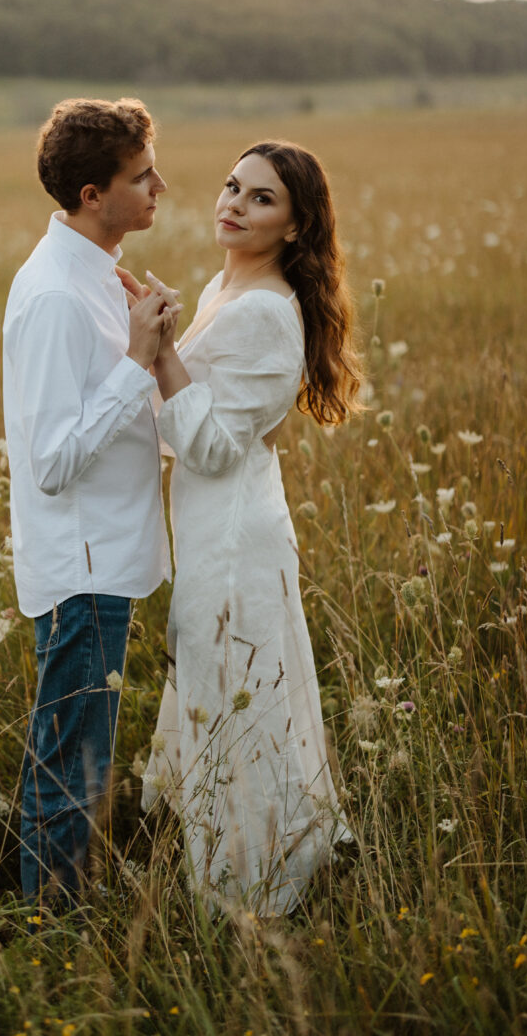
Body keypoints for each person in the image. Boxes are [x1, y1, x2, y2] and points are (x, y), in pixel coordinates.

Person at [141, 140, 362, 916]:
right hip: (211, 521)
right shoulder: (223, 287)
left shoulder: (268, 312)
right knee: (221, 685)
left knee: (238, 695)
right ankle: (241, 855)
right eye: (233, 186)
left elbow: (207, 445)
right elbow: (190, 419)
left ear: (296, 226)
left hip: (235, 535)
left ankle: (250, 889)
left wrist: (162, 354)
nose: (234, 204)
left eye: (261, 198)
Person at [2, 97, 180, 911]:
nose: (160, 188)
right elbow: (51, 462)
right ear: (91, 195)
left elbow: (123, 419)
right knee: (70, 765)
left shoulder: (102, 275)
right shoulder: (55, 296)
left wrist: (156, 349)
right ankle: (53, 934)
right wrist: (136, 362)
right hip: (82, 569)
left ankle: (62, 912)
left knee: (81, 754)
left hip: (107, 554)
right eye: (142, 177)